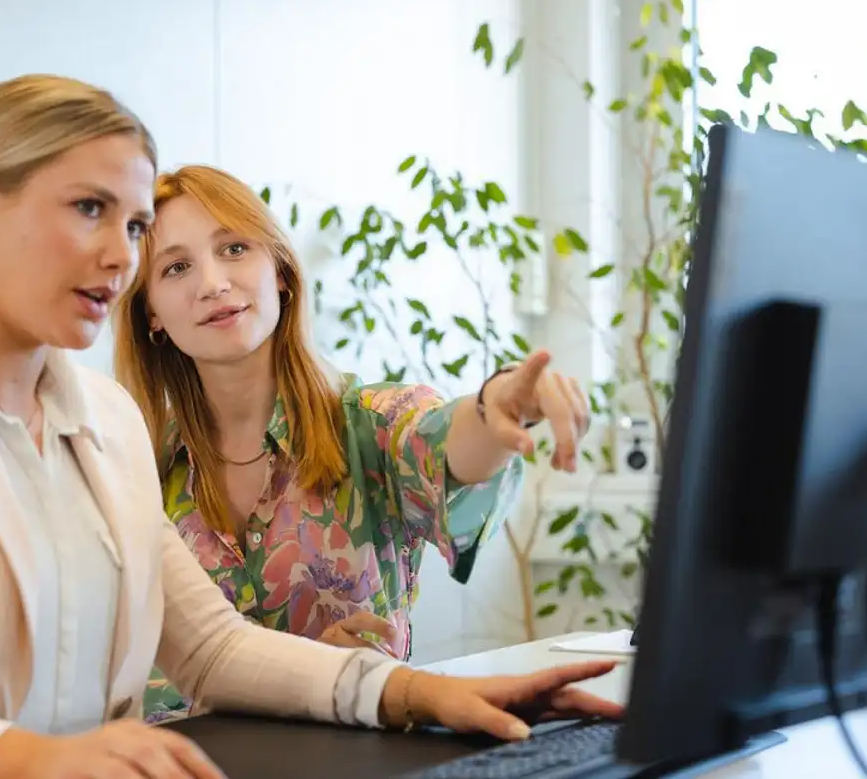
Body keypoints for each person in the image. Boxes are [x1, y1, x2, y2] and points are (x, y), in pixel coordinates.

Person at [0, 73, 621, 779]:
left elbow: (210, 647)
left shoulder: (105, 421)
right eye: (91, 210)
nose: (120, 254)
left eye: (131, 224)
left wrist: (424, 695)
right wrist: (28, 762)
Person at [112, 164, 592, 723]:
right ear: (151, 314)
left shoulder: (374, 425)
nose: (213, 282)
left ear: (282, 272)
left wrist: (499, 405)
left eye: (235, 248)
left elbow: (451, 447)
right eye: (176, 267)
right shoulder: (131, 460)